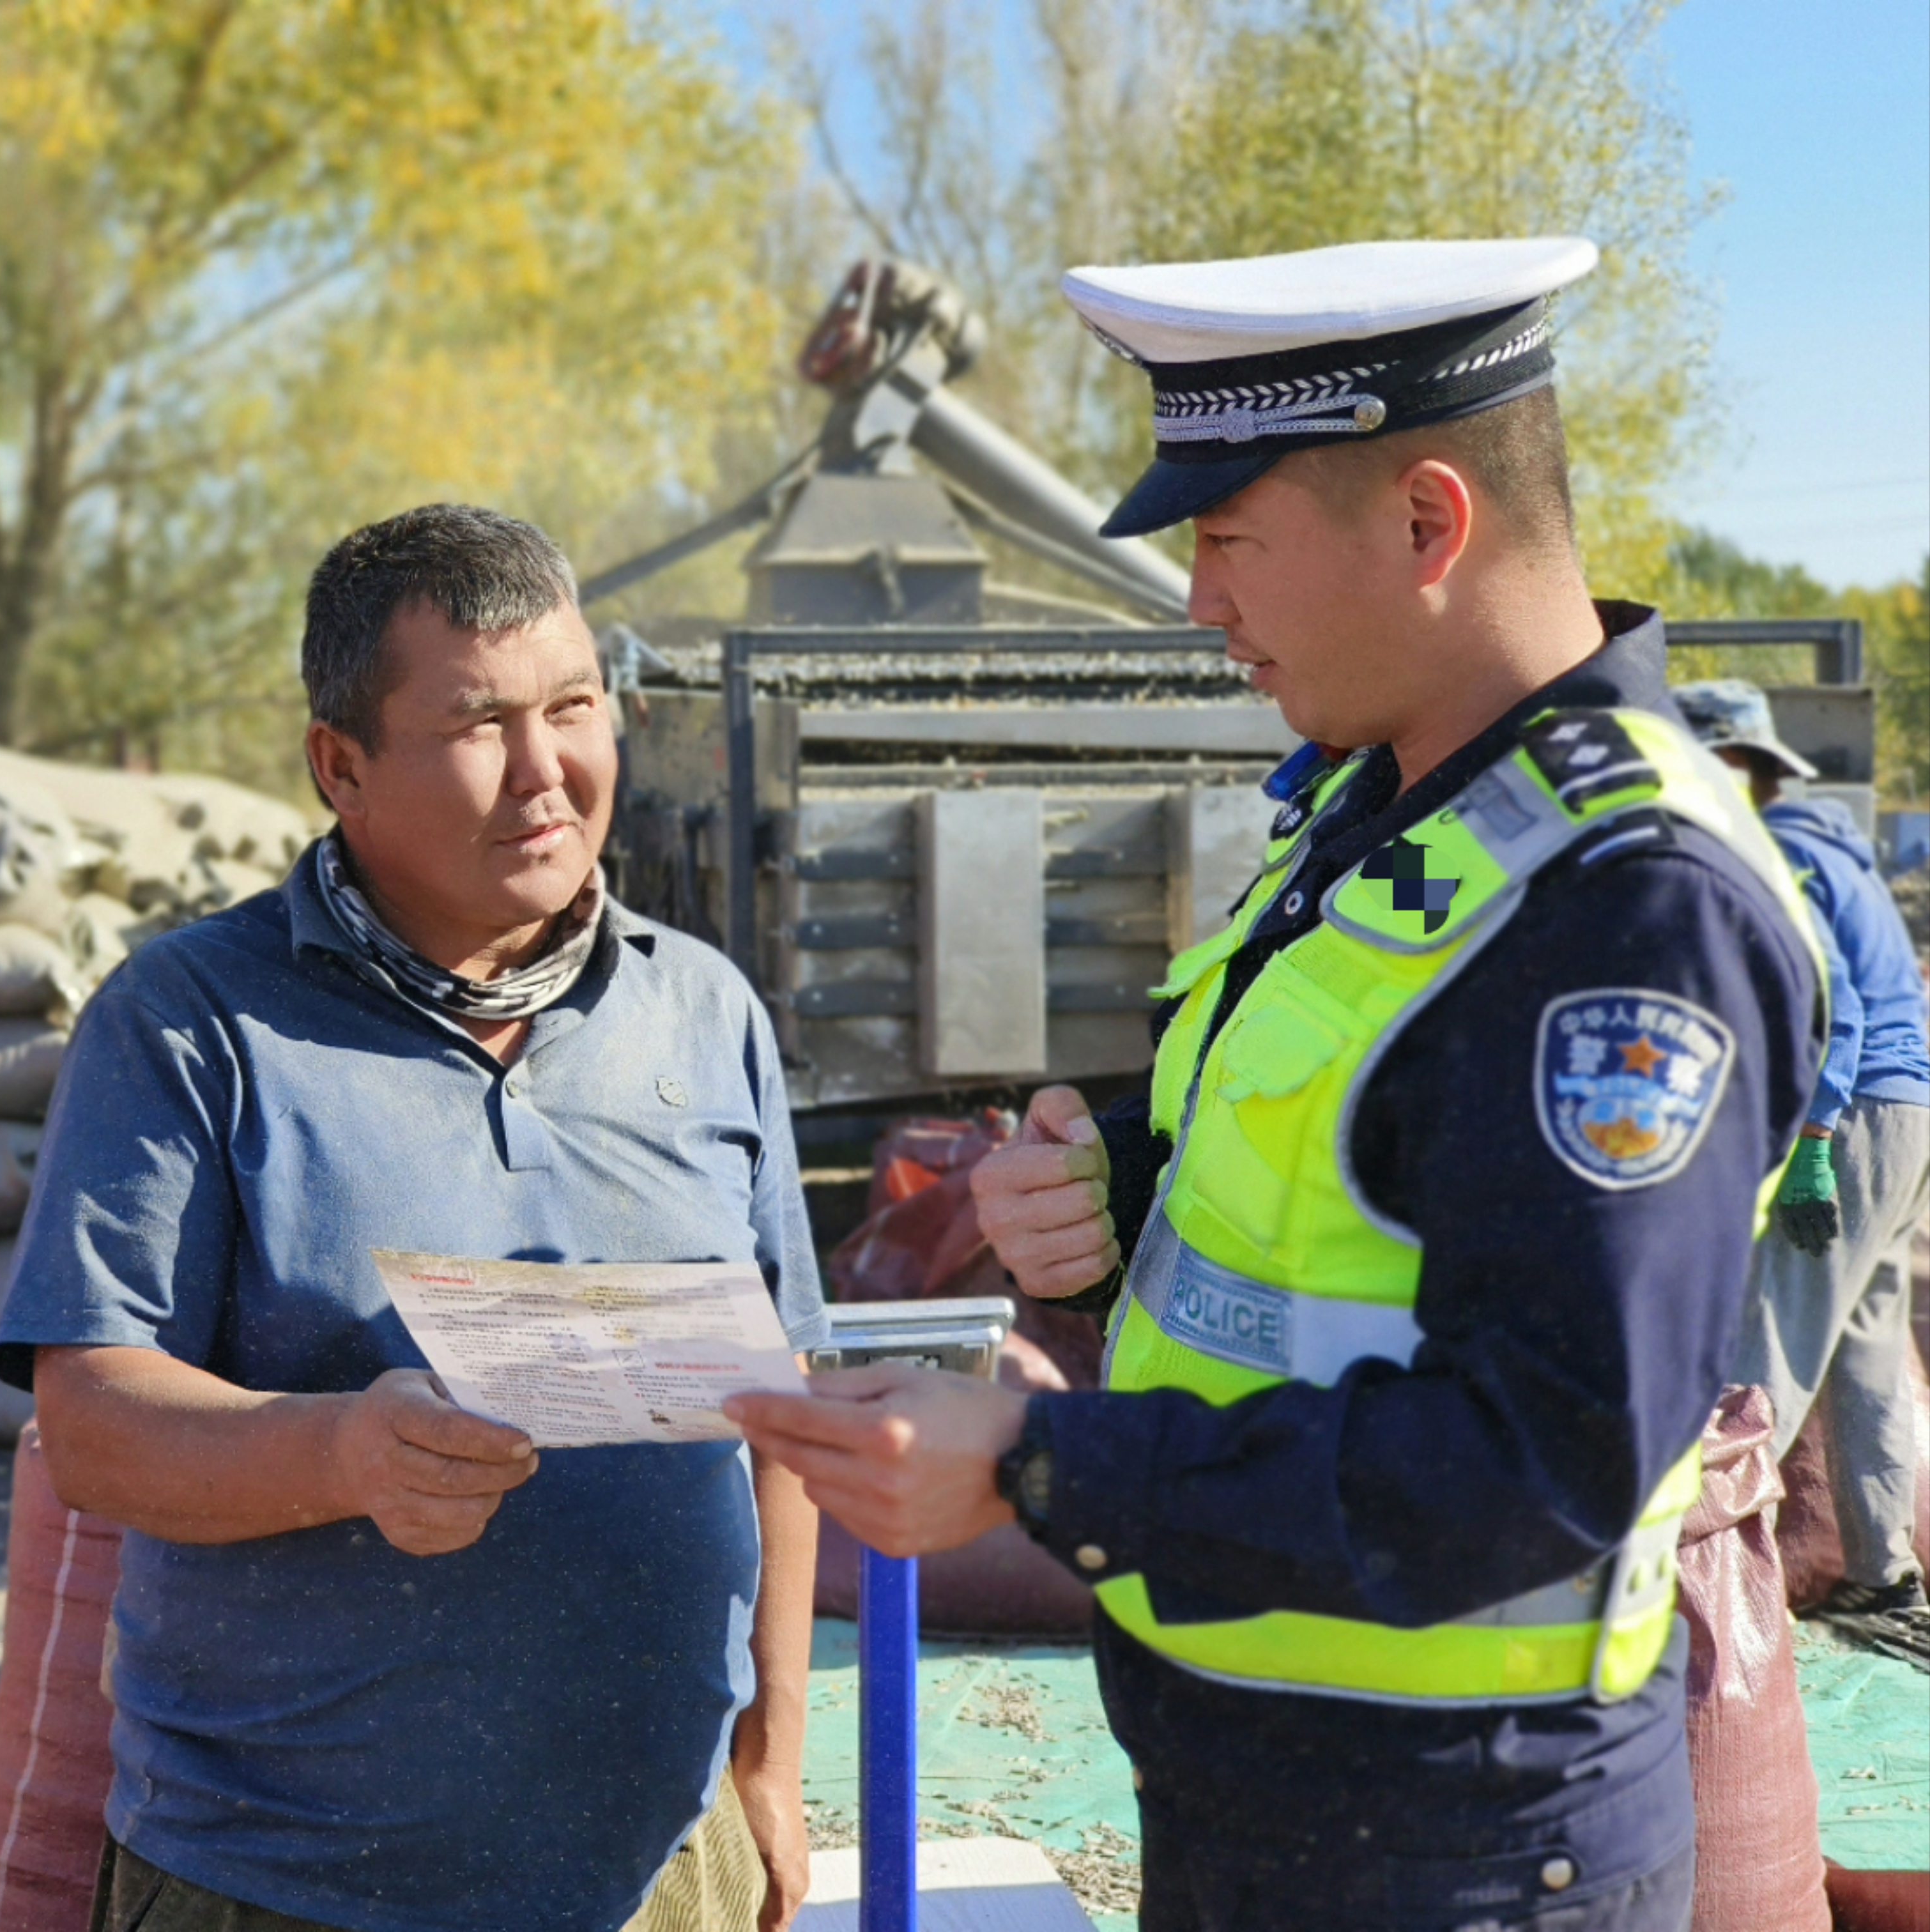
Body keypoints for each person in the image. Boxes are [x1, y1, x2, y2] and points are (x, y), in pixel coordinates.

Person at [727, 237, 1826, 1932]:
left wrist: (1036, 1465)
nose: (1198, 601)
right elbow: (1340, 1180)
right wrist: (1104, 1181)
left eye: (1228, 538)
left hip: (1457, 1851)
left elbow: (1542, 1459)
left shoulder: (1625, 913)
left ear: (1427, 525)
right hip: (1287, 1807)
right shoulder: (1392, 813)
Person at [0, 503, 825, 1932]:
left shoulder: (700, 1008)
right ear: (340, 765)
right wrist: (342, 1452)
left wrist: (772, 1765)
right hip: (283, 1884)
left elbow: (778, 1404)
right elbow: (94, 1424)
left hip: (664, 1875)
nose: (546, 772)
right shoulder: (193, 1023)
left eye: (573, 708)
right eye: (476, 725)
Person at [1673, 677, 1930, 1634]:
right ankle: (1883, 1578)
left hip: (1851, 1115)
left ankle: (1709, 1595)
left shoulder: (1772, 852)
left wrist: (1814, 1140)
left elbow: (1836, 1008)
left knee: (1767, 1350)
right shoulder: (1829, 845)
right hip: (1905, 1113)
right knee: (1862, 1351)